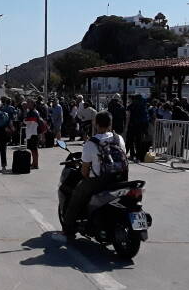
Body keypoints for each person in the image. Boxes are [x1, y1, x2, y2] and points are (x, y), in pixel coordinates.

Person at [62, 111, 127, 241]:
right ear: (110, 123)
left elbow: (84, 171)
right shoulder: (119, 138)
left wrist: (86, 176)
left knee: (77, 194)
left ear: (96, 124)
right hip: (121, 179)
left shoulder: (91, 143)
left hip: (100, 181)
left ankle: (68, 228)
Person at [125, 94, 149, 162]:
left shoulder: (130, 106)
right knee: (138, 142)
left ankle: (126, 155)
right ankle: (138, 158)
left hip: (132, 126)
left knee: (129, 141)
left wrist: (126, 127)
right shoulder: (143, 106)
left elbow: (128, 117)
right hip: (140, 127)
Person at [23, 101, 41, 170]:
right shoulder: (33, 112)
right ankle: (34, 163)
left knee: (34, 149)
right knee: (33, 149)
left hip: (33, 132)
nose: (28, 104)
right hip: (32, 132)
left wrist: (25, 120)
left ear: (33, 105)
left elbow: (27, 121)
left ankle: (35, 164)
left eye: (29, 103)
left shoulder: (33, 112)